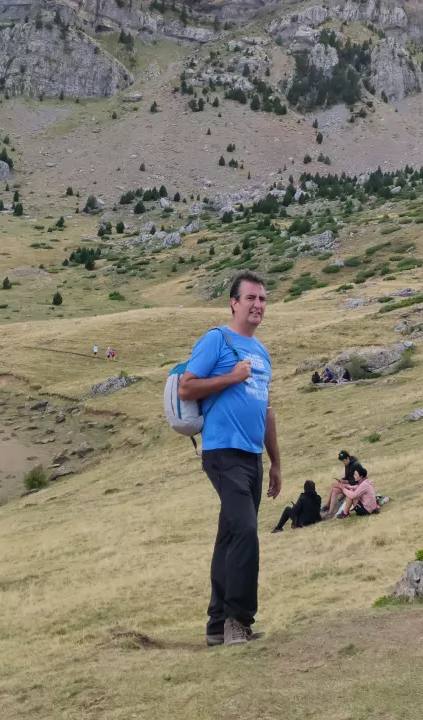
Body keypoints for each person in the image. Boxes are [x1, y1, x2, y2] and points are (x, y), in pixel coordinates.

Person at [178, 270, 282, 647]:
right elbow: (187, 386)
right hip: (222, 451)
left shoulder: (262, 352)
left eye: (262, 299)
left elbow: (266, 411)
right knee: (246, 531)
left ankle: (216, 625)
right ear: (234, 303)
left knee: (230, 537)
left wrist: (275, 462)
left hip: (253, 456)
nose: (258, 305)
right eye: (250, 298)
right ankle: (238, 621)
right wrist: (232, 377)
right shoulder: (216, 340)